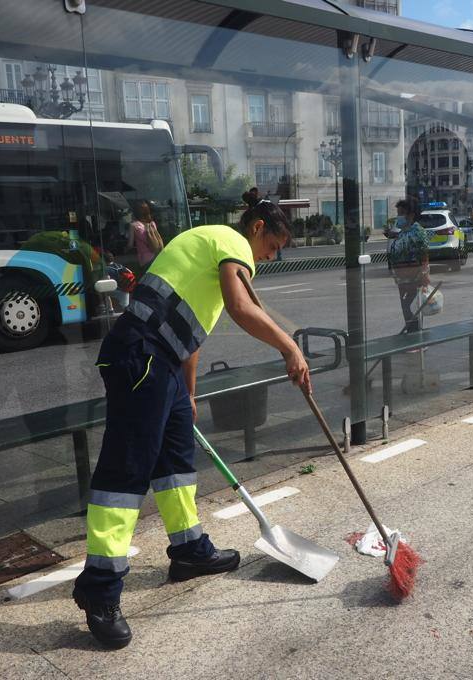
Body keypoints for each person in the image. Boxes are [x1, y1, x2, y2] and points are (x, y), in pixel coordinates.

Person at [72, 193, 309, 649]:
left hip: (162, 361)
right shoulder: (231, 243)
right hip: (141, 356)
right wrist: (290, 347)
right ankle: (99, 590)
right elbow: (241, 309)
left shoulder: (207, 245)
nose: (269, 257)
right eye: (272, 247)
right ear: (257, 228)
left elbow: (192, 332)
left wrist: (189, 393)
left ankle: (188, 551)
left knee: (176, 459)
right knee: (125, 473)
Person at [388, 197, 430, 333]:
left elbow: (423, 256)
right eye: (398, 213)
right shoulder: (402, 233)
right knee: (406, 308)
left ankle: (416, 339)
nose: (399, 217)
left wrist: (424, 275)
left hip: (414, 278)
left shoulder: (417, 232)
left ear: (411, 215)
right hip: (402, 279)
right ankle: (413, 336)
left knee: (412, 308)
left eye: (401, 213)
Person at [127, 199, 165, 271]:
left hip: (145, 260)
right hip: (156, 258)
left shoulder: (133, 225)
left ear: (135, 212)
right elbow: (158, 238)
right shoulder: (152, 224)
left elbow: (130, 245)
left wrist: (126, 249)